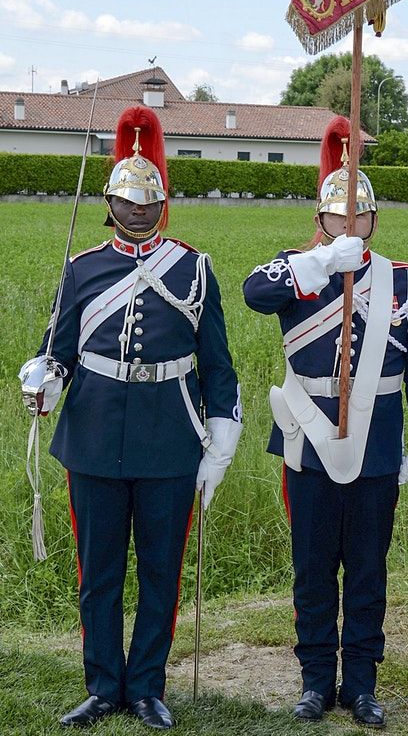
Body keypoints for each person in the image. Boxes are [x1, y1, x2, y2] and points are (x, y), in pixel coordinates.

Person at [18, 106, 242, 730]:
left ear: (162, 203)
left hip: (170, 439)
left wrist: (221, 436)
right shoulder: (83, 268)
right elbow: (58, 353)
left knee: (160, 575)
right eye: (127, 201)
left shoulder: (193, 269)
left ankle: (146, 685)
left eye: (148, 202)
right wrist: (44, 381)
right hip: (92, 436)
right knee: (100, 575)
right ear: (111, 204)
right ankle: (102, 684)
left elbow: (217, 366)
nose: (138, 211)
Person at [243, 116, 408, 728]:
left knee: (366, 568)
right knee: (312, 567)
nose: (349, 226)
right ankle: (313, 681)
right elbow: (255, 293)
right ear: (321, 221)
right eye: (337, 217)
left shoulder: (401, 281)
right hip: (307, 434)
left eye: (358, 218)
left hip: (377, 441)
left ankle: (360, 683)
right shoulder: (298, 272)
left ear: (373, 222)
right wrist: (323, 262)